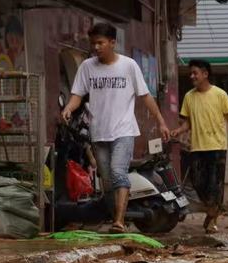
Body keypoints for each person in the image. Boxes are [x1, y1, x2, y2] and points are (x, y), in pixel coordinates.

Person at [61, 21, 171, 233]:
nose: (96, 47)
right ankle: (116, 217)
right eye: (93, 43)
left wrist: (161, 122)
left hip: (123, 130)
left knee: (118, 172)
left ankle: (119, 221)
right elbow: (78, 95)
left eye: (100, 43)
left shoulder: (128, 65)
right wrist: (68, 108)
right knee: (107, 180)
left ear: (112, 42)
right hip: (98, 132)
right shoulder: (87, 67)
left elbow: (145, 96)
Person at [173, 59, 228, 233]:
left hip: (217, 147)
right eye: (191, 73)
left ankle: (212, 219)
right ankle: (211, 212)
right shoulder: (189, 96)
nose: (192, 76)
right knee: (197, 183)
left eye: (195, 73)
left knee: (215, 187)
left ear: (205, 74)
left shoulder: (220, 95)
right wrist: (178, 131)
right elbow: (188, 123)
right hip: (197, 148)